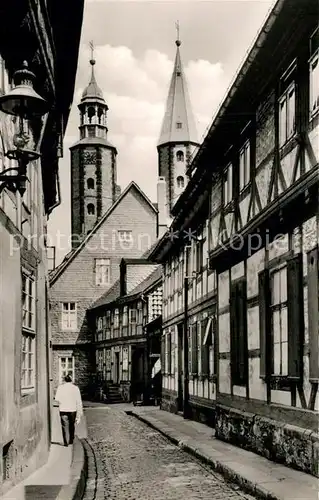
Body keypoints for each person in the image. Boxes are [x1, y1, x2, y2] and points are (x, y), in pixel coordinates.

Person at [55, 375, 83, 446]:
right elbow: (78, 401)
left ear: (64, 380)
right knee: (71, 425)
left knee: (64, 426)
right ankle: (71, 440)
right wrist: (79, 414)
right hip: (73, 409)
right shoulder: (75, 388)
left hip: (63, 409)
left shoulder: (60, 387)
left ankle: (66, 442)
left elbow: (57, 399)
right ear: (71, 380)